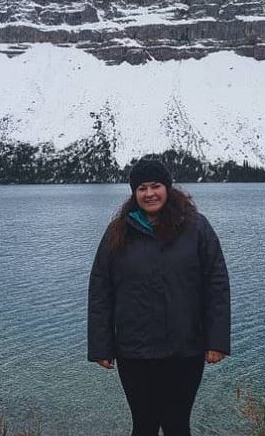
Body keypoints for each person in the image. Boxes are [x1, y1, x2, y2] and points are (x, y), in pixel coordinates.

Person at [88, 158, 231, 436]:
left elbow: (216, 285)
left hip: (184, 349)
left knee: (177, 425)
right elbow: (100, 290)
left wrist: (217, 341)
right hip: (135, 352)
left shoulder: (196, 228)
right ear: (134, 193)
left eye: (155, 186)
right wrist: (101, 347)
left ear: (168, 188)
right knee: (144, 426)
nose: (149, 193)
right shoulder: (118, 232)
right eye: (142, 188)